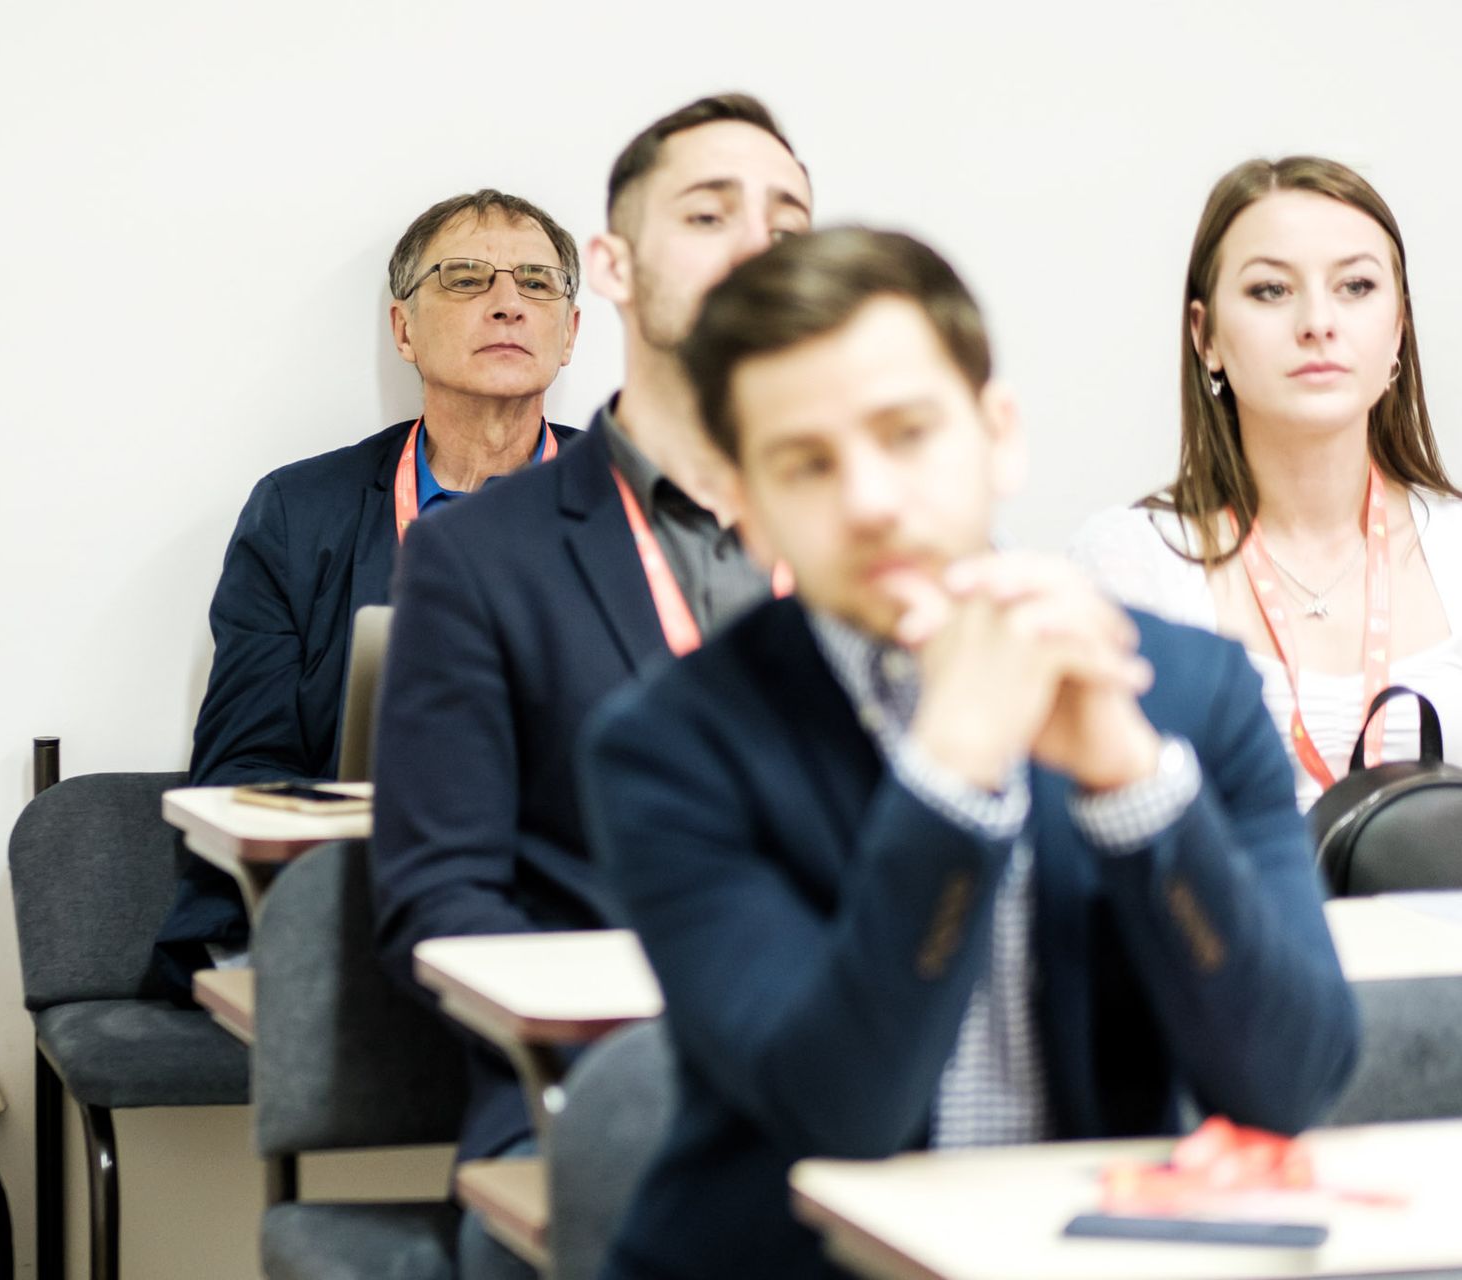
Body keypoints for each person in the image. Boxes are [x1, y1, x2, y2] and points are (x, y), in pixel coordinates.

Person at [578, 227, 1359, 1280]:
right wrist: (951, 773)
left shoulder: (1186, 690)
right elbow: (843, 1109)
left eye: (907, 434)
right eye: (806, 464)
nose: (869, 499)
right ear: (747, 509)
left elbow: (1290, 1082)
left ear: (999, 437)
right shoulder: (671, 744)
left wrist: (1135, 786)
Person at [368, 95, 810, 1274]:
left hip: (867, 1080)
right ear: (613, 269)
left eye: (786, 223)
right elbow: (438, 901)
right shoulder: (477, 557)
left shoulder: (888, 538)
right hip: (605, 1090)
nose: (755, 246)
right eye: (709, 214)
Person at [1070, 156, 1462, 882]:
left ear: (1399, 328)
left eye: (1356, 287)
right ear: (1205, 335)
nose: (1317, 323)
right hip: (1238, 950)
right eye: (1270, 290)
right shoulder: (1133, 564)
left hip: (1447, 950)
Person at [153, 189, 581, 989]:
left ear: (570, 333)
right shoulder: (298, 513)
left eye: (536, 281)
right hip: (360, 907)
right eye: (465, 279)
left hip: (579, 910)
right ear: (403, 329)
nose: (508, 303)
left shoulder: (644, 508)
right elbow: (242, 767)